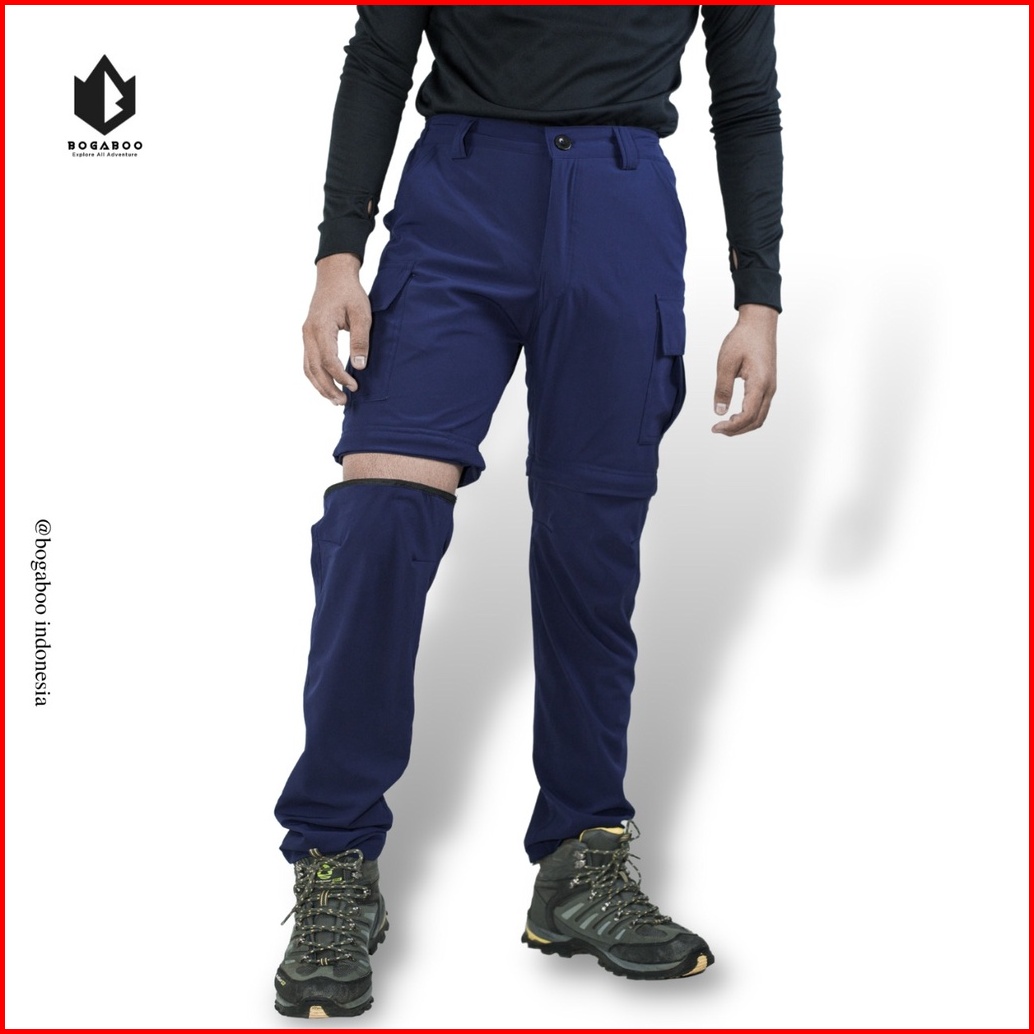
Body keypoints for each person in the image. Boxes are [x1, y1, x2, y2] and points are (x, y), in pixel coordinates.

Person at [273, 5, 782, 1019]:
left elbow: (746, 98)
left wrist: (757, 299)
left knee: (592, 547)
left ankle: (580, 859)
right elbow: (379, 57)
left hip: (621, 202)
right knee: (377, 519)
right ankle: (333, 856)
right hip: (459, 197)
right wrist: (338, 252)